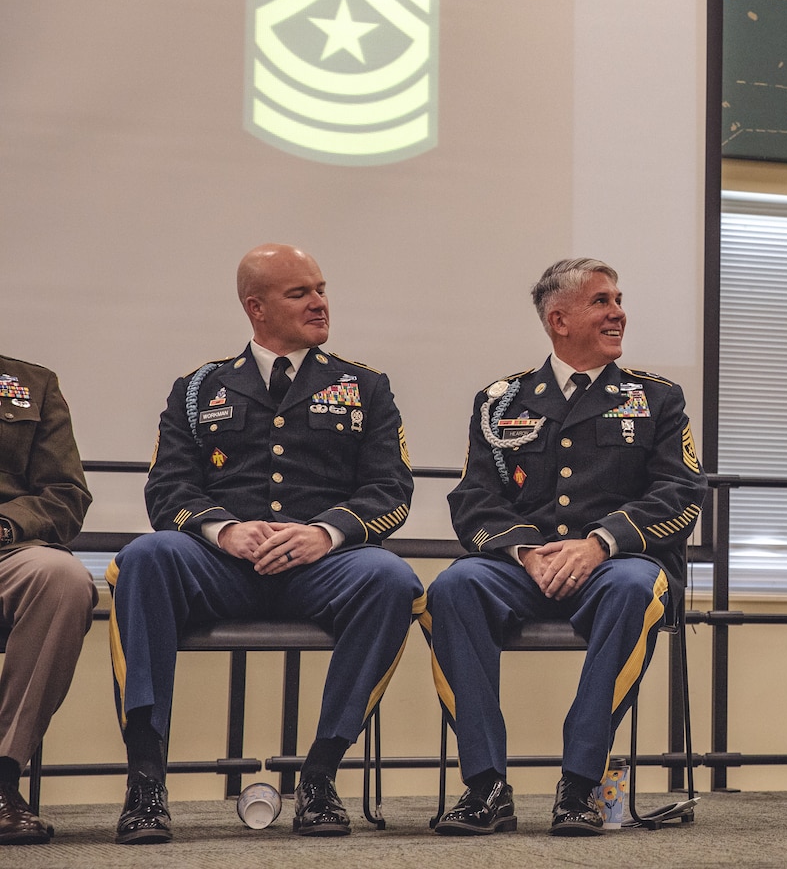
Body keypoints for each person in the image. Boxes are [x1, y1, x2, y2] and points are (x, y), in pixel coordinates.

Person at [110, 244, 421, 844]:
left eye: (322, 289)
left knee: (392, 579)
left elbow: (392, 491)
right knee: (146, 557)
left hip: (319, 569)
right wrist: (224, 530)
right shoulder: (198, 388)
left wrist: (323, 533)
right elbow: (166, 489)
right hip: (221, 567)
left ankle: (322, 775)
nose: (319, 303)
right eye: (299, 292)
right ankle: (146, 782)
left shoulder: (366, 387)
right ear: (256, 307)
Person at [425, 257, 704, 837]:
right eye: (602, 301)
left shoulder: (657, 399)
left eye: (618, 299)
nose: (618, 312)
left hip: (617, 567)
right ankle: (485, 788)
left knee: (635, 588)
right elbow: (474, 497)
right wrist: (526, 551)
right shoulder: (501, 401)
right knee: (452, 588)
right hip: (526, 567)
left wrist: (601, 543)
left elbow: (682, 493)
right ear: (559, 319)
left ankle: (579, 784)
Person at [0, 357, 96, 845]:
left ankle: (0, 778)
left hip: (7, 549)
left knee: (62, 577)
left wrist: (6, 525)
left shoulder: (30, 385)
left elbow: (66, 494)